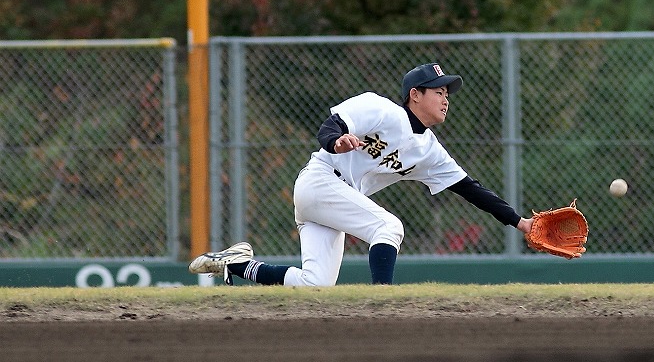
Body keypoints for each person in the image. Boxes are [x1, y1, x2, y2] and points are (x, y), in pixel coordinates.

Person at [189, 62, 535, 286]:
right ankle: (382, 300)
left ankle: (235, 266)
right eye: (438, 92)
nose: (446, 100)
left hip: (334, 202)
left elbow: (471, 189)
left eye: (447, 94)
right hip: (320, 180)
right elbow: (332, 125)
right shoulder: (381, 109)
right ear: (415, 95)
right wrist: (336, 141)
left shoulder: (430, 149)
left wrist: (521, 223)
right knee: (389, 226)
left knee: (315, 285)